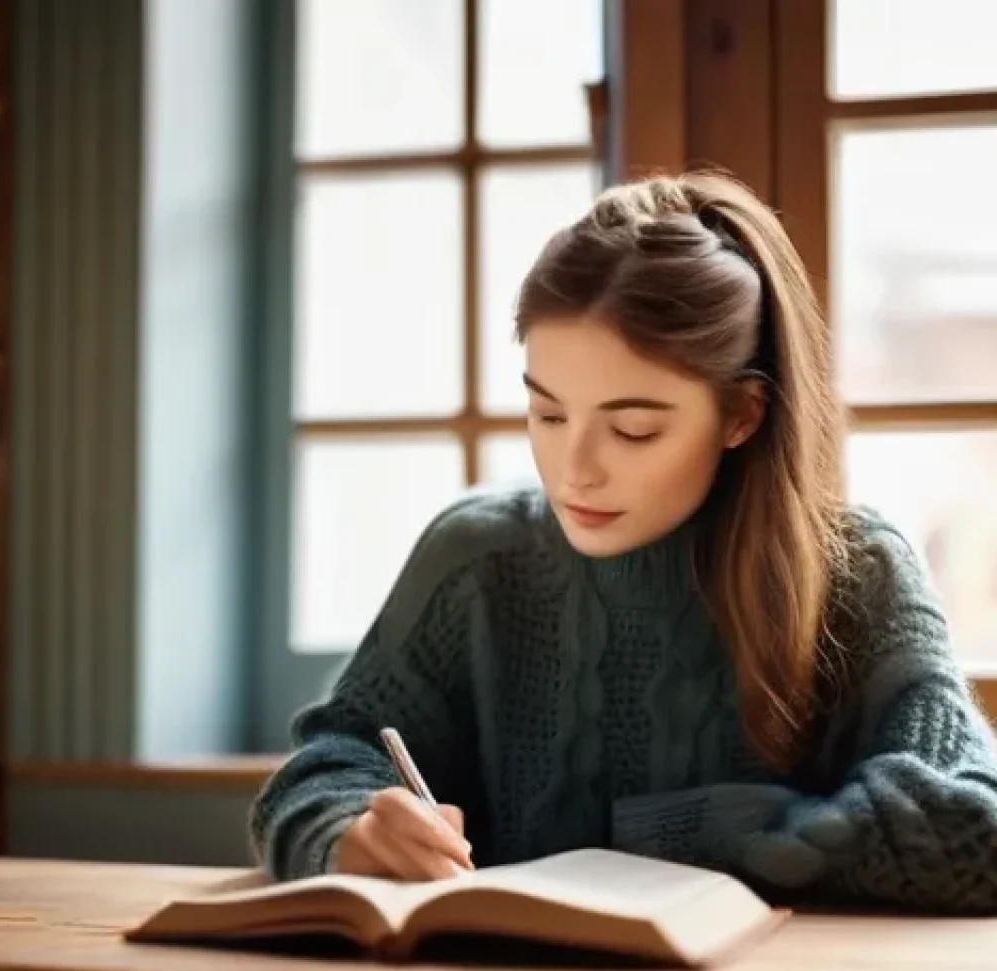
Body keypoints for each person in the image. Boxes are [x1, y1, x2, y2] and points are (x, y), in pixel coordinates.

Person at [250, 170, 997, 912]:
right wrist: (346, 829)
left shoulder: (857, 573)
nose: (574, 470)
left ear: (741, 415)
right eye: (547, 415)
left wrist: (696, 833)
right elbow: (328, 764)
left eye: (632, 428)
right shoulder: (476, 562)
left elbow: (974, 830)